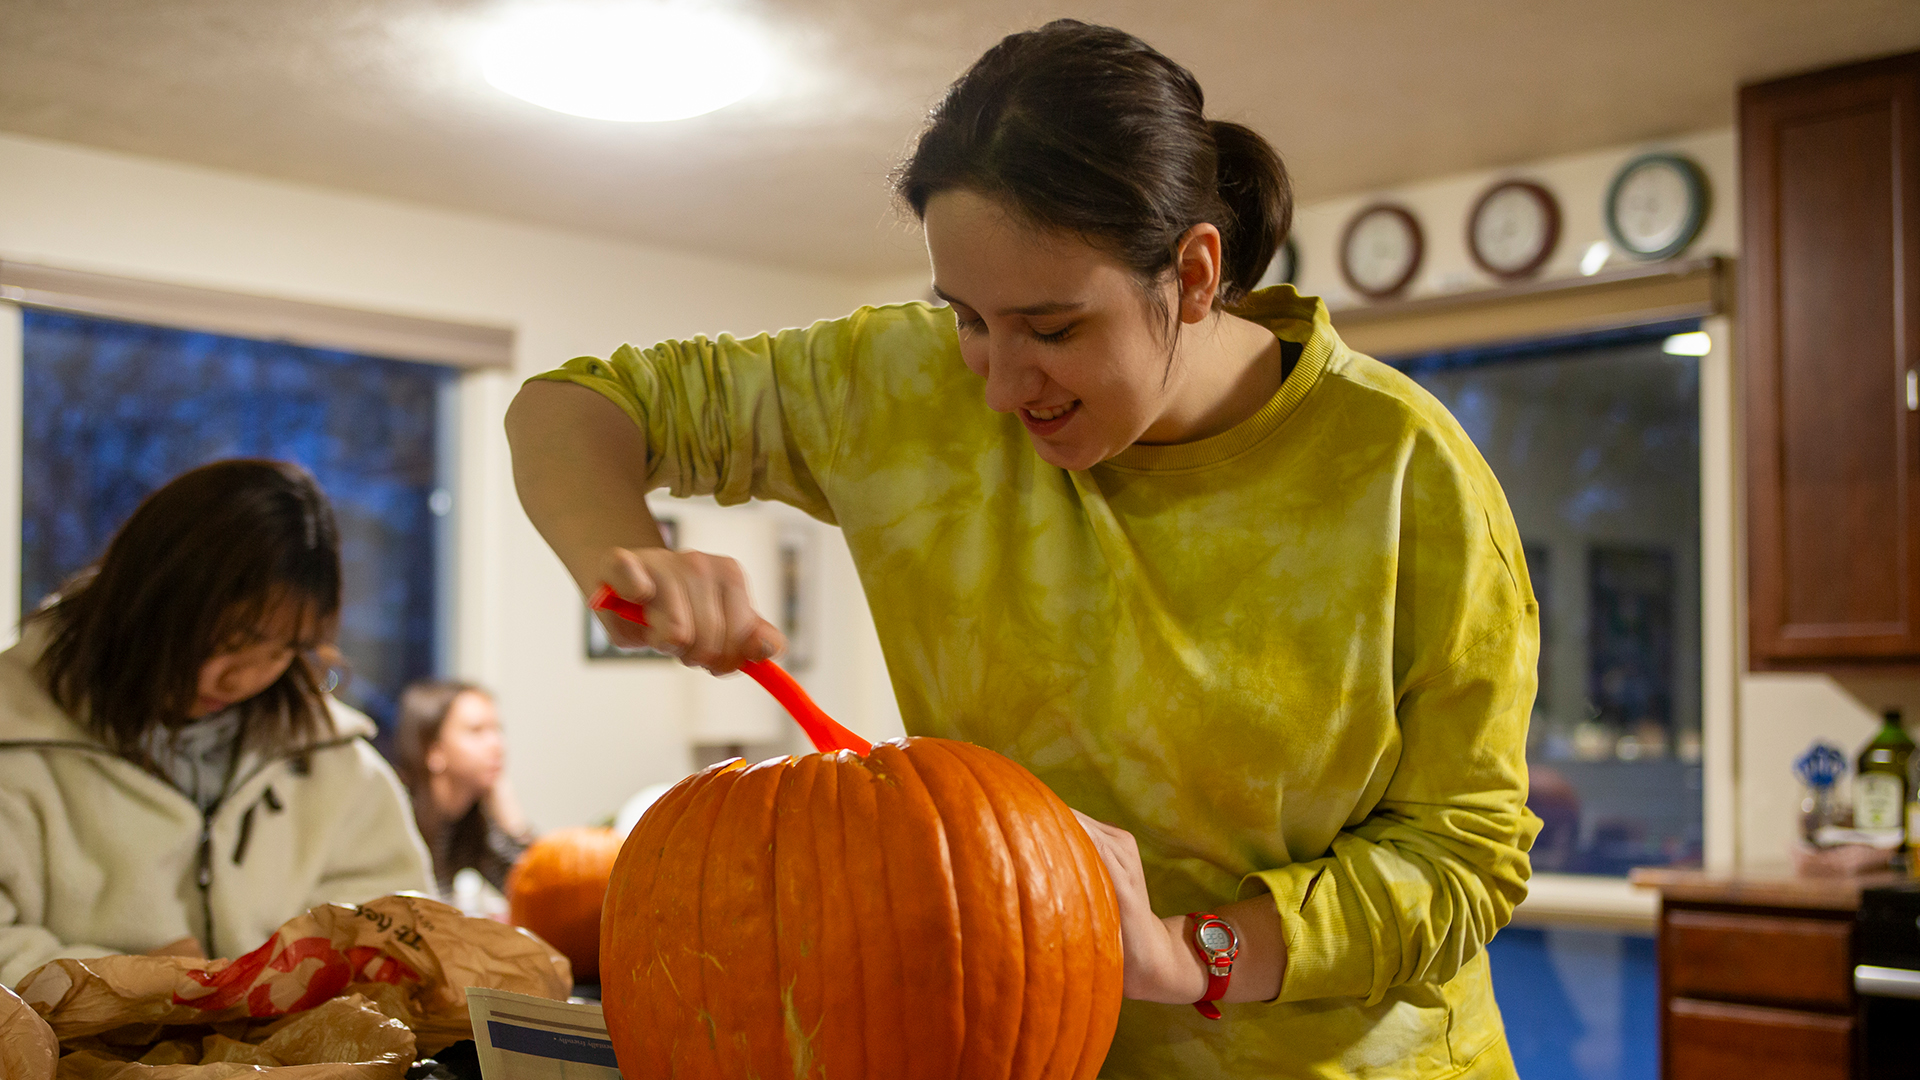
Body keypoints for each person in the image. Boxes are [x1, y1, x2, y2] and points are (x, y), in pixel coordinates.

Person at [506, 20, 1538, 1078]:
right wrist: (625, 553)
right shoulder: (898, 384)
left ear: (1191, 273)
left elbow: (1464, 859)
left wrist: (1189, 955)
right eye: (967, 319)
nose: (999, 386)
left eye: (1051, 330)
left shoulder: (1404, 471)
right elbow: (573, 405)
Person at [0, 459, 434, 987]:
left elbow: (399, 929)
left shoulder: (331, 761)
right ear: (148, 600)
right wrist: (123, 980)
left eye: (281, 652)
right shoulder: (16, 732)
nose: (242, 679)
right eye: (229, 643)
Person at [393, 680, 532, 898]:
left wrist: (515, 826)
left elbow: (534, 895)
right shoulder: (396, 816)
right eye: (476, 731)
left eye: (498, 730)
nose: (497, 745)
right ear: (434, 750)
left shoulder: (475, 822)